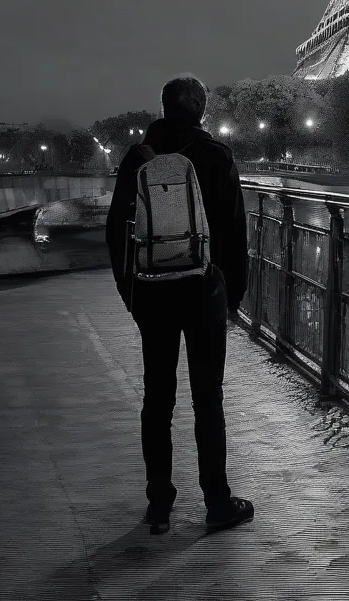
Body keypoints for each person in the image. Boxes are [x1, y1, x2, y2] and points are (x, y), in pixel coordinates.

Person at [105, 75, 254, 536]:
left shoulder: (137, 158)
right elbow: (233, 234)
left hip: (153, 290)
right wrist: (232, 297)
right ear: (202, 111)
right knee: (209, 399)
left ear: (164, 108)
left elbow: (116, 232)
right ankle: (216, 501)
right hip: (203, 290)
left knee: (157, 399)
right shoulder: (216, 156)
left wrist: (131, 294)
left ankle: (159, 503)